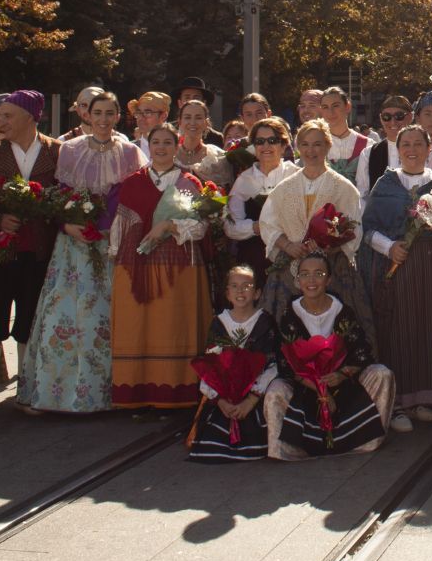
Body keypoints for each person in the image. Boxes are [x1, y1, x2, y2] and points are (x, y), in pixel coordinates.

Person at [19, 90, 146, 413]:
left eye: (109, 113)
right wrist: (69, 225)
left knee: (106, 315)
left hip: (112, 244)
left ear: (118, 116)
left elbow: (132, 198)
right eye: (97, 113)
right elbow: (60, 196)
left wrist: (111, 229)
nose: (103, 120)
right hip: (74, 246)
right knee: (66, 313)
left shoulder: (130, 153)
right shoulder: (70, 151)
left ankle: (110, 392)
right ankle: (57, 392)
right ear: (87, 115)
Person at [0, 89, 61, 421]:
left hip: (40, 253)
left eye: (7, 115)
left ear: (31, 117)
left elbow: (69, 197)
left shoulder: (57, 152)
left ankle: (28, 385)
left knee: (32, 318)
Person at [106, 123, 212, 408]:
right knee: (138, 327)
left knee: (173, 326)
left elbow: (201, 227)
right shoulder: (132, 182)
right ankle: (138, 392)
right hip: (135, 265)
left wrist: (168, 225)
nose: (162, 148)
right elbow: (119, 226)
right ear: (148, 146)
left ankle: (177, 391)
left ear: (177, 146)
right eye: (156, 143)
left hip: (180, 267)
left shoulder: (190, 181)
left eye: (168, 142)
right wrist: (116, 259)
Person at [360, 124, 432, 432]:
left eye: (418, 144)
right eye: (406, 144)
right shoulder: (386, 183)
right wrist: (390, 247)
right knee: (399, 327)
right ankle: (397, 403)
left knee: (429, 324)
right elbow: (368, 229)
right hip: (396, 266)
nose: (412, 149)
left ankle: (424, 397)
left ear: (429, 149)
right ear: (398, 150)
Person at [263, 252, 396, 459]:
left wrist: (341, 375)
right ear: (297, 281)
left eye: (319, 273)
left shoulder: (342, 312)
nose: (311, 280)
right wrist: (319, 390)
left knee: (382, 374)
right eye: (305, 275)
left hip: (342, 388)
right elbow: (286, 365)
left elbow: (361, 353)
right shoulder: (290, 316)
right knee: (275, 390)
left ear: (329, 279)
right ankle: (291, 448)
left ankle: (364, 440)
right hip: (305, 389)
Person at [258, 120, 370, 331]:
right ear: (298, 147)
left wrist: (329, 246)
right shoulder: (284, 188)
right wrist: (288, 245)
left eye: (318, 144)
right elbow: (267, 224)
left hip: (333, 271)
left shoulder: (344, 188)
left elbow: (354, 229)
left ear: (328, 146)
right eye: (306, 144)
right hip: (290, 271)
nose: (311, 150)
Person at [186, 265, 277, 463]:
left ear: (257, 293)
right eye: (234, 286)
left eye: (247, 286)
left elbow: (271, 364)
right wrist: (220, 400)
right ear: (227, 293)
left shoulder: (264, 322)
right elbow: (210, 366)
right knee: (212, 440)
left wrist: (250, 400)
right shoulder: (219, 323)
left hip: (254, 396)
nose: (240, 291)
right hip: (225, 396)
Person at [226, 116, 297, 285]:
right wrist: (257, 227)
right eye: (260, 141)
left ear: (283, 144)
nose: (266, 146)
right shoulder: (244, 180)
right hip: (254, 256)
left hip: (291, 254)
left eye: (272, 140)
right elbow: (230, 226)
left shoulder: (295, 175)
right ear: (253, 147)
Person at [363, 95, 432, 197]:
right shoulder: (368, 154)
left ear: (410, 117)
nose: (393, 122)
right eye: (386, 117)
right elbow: (362, 195)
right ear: (381, 118)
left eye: (399, 116)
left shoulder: (427, 153)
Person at [317, 87, 373, 185]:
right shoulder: (316, 144)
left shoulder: (368, 144)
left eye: (335, 106)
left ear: (348, 107)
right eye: (325, 107)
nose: (331, 112)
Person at [176, 98, 232, 192]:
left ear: (206, 123)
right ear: (180, 122)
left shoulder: (217, 157)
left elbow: (226, 193)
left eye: (198, 118)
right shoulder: (170, 154)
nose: (192, 122)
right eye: (187, 117)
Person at [174, 77, 225, 147]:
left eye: (196, 97)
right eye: (187, 97)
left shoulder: (216, 138)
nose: (191, 101)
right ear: (179, 103)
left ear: (204, 103)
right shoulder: (167, 132)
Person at [128, 91, 172, 160]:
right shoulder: (128, 151)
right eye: (138, 112)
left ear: (163, 116)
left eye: (147, 112)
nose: (141, 117)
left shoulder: (176, 149)